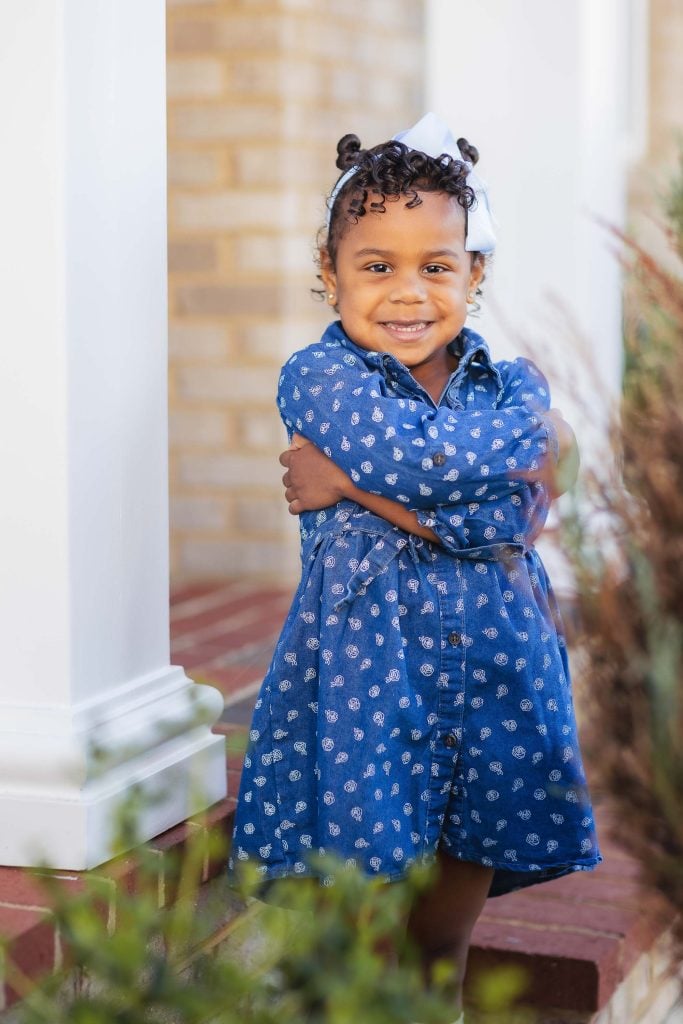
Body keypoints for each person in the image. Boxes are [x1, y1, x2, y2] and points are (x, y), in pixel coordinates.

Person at [229, 113, 602, 1020]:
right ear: (329, 276)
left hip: (493, 685)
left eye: (436, 266)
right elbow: (449, 477)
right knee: (362, 939)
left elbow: (506, 509)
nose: (408, 292)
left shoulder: (514, 386)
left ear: (475, 277)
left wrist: (349, 489)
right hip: (370, 690)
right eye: (376, 265)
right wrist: (456, 487)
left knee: (442, 941)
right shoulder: (319, 380)